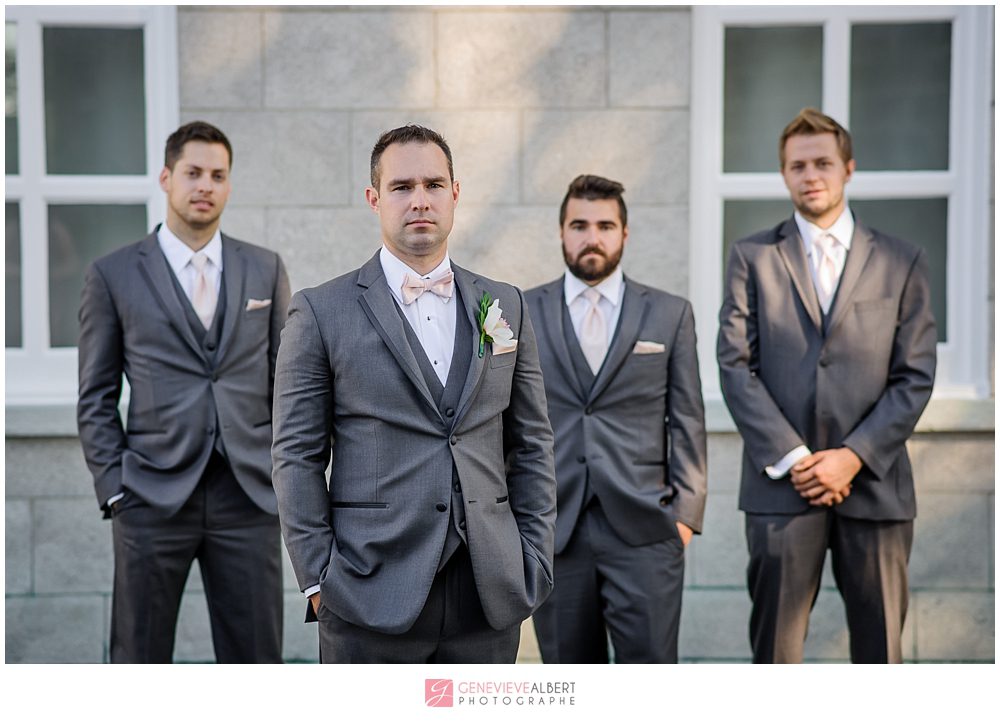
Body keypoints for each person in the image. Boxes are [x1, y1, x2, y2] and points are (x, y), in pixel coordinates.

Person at [271, 124, 556, 664]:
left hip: (489, 592)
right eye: (402, 187)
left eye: (433, 185)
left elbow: (532, 444)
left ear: (455, 193)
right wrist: (319, 580)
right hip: (367, 591)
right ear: (374, 198)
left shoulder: (507, 304)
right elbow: (296, 455)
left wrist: (533, 558)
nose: (419, 200)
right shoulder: (320, 311)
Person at [717, 108, 937, 663]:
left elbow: (914, 375)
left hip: (876, 486)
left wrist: (852, 457)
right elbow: (735, 365)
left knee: (880, 654)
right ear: (784, 174)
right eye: (798, 166)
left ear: (848, 168)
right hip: (781, 489)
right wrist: (797, 459)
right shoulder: (752, 257)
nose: (810, 175)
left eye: (822, 163)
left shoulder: (902, 260)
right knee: (776, 655)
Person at [77, 121, 291, 663]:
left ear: (229, 184)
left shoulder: (265, 268)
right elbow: (96, 395)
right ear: (166, 178)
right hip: (149, 495)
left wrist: (284, 474)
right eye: (193, 173)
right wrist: (115, 488)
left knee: (257, 660)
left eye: (218, 175)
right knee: (140, 657)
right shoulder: (113, 274)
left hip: (248, 495)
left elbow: (285, 385)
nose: (205, 186)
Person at [525, 174, 707, 663]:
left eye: (605, 226)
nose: (592, 237)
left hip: (647, 530)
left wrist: (684, 516)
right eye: (579, 225)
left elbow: (687, 420)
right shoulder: (521, 311)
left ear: (624, 233)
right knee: (569, 680)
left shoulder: (670, 313)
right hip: (555, 531)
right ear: (561, 232)